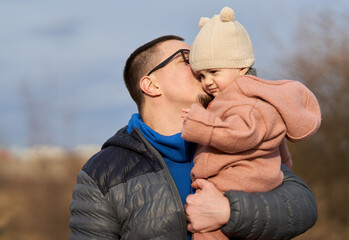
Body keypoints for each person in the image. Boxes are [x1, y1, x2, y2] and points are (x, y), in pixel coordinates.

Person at [69, 34, 318, 240]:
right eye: (187, 60)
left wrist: (230, 212)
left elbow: (303, 206)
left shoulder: (236, 133)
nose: (201, 66)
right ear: (151, 85)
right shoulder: (102, 172)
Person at [180, 7, 321, 239]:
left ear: (242, 66)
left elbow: (244, 134)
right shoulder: (235, 97)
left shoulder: (248, 99)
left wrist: (200, 123)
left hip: (240, 182)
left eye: (214, 71)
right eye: (201, 76)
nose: (207, 82)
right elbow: (275, 145)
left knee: (207, 231)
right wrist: (284, 163)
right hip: (240, 182)